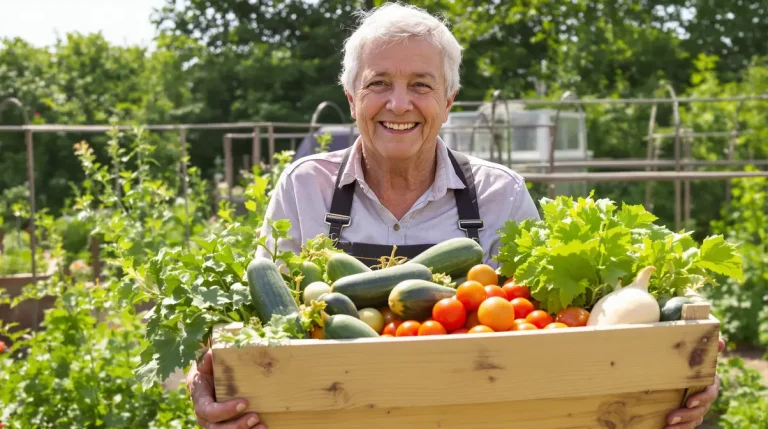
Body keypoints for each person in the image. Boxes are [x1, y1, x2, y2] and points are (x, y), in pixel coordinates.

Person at [185, 3, 724, 429]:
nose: (399, 104)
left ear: (449, 98)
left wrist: (674, 369)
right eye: (378, 84)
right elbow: (249, 321)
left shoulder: (498, 195)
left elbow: (551, 333)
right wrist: (206, 376)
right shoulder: (305, 188)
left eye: (421, 84)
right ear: (352, 98)